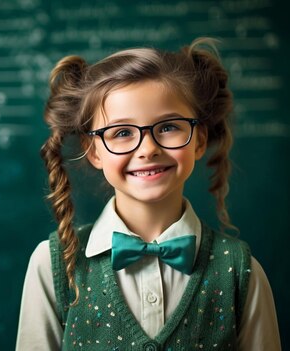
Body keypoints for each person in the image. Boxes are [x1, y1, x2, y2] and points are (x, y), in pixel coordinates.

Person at [16, 38, 281, 350]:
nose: (148, 149)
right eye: (122, 132)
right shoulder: (52, 266)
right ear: (93, 151)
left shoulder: (241, 271)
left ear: (198, 140)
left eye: (169, 127)